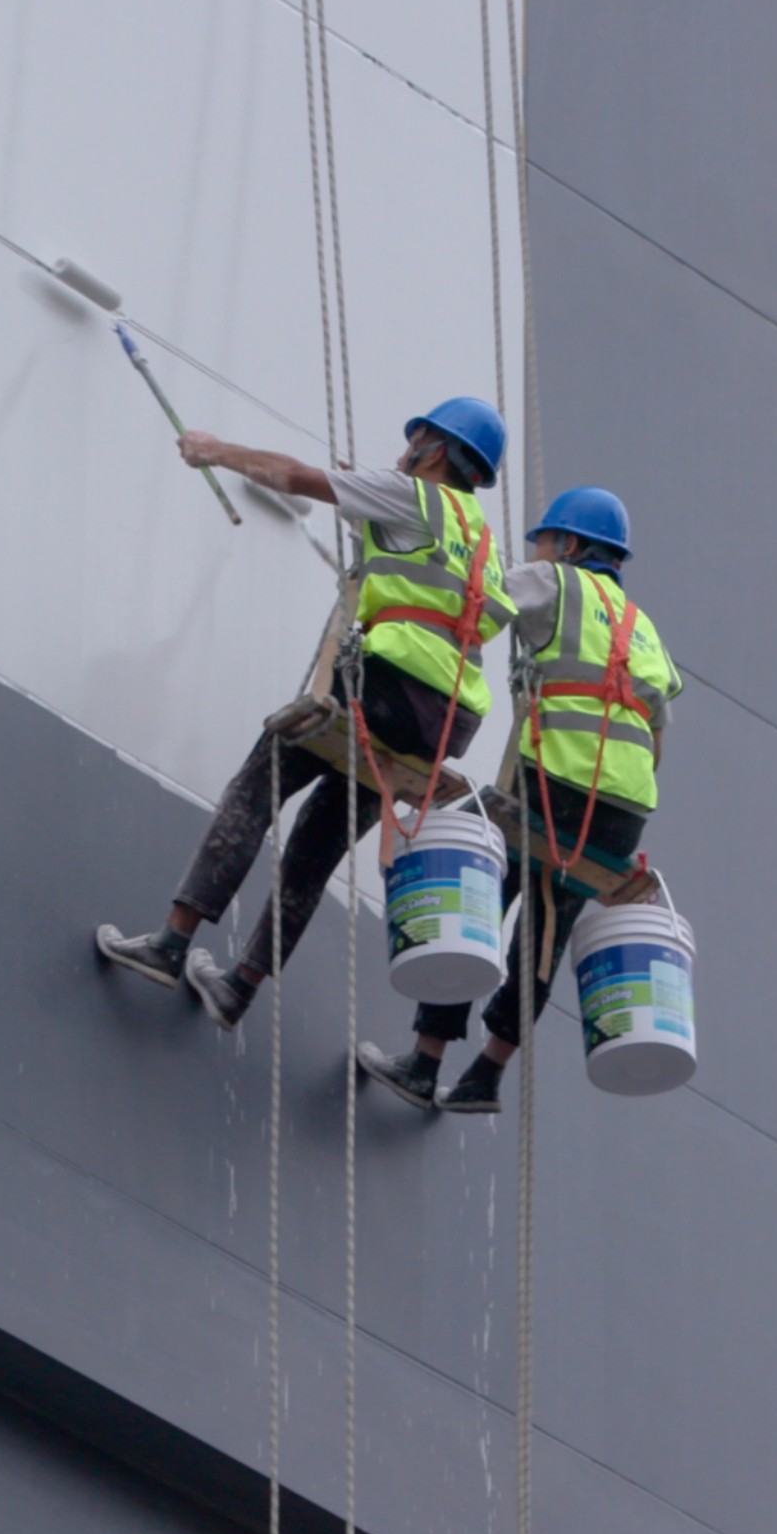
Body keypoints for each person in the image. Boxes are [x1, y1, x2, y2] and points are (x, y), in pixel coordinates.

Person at [96, 399, 516, 1027]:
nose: (406, 450)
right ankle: (239, 987)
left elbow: (294, 477)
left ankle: (171, 943)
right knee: (318, 846)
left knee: (258, 785)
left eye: (417, 440)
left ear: (434, 450)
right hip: (442, 725)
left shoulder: (413, 495)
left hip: (386, 687)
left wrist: (216, 451)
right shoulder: (479, 540)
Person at [357, 486, 679, 1114]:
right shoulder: (645, 630)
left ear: (570, 545)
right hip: (623, 818)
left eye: (544, 541)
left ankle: (425, 1060)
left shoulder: (554, 581)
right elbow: (658, 741)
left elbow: (476, 595)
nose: (536, 551)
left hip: (557, 790)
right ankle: (486, 1075)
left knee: (476, 898)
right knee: (545, 934)